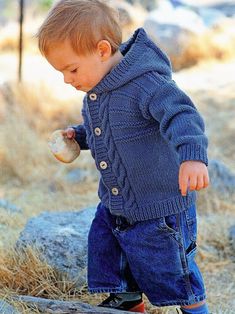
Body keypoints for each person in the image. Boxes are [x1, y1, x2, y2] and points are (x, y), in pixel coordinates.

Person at [37, 1, 210, 313]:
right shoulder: (97, 92)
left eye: (71, 69)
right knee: (108, 256)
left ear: (102, 50)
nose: (67, 79)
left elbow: (182, 115)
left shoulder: (146, 83)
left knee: (172, 271)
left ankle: (195, 309)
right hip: (117, 205)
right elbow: (108, 130)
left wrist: (192, 157)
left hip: (160, 207)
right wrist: (79, 135)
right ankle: (128, 304)